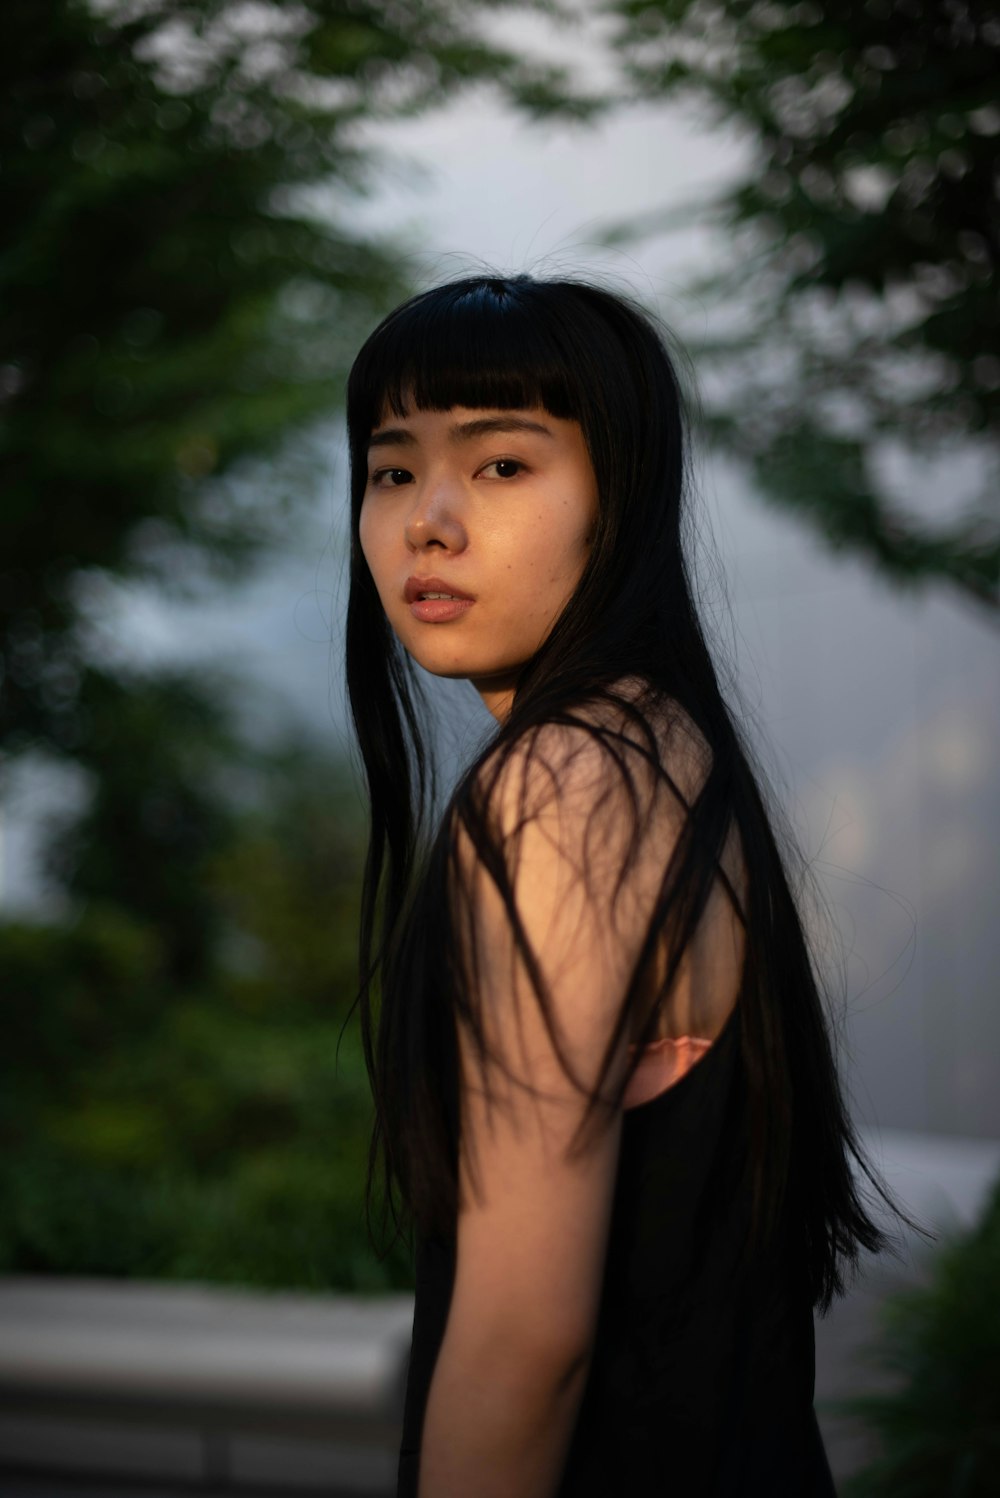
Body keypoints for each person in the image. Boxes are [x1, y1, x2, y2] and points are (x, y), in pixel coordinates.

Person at [344, 273, 889, 1497]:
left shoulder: (563, 782)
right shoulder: (659, 750)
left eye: (500, 465)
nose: (427, 520)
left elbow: (524, 1340)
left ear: (620, 498)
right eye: (391, 470)